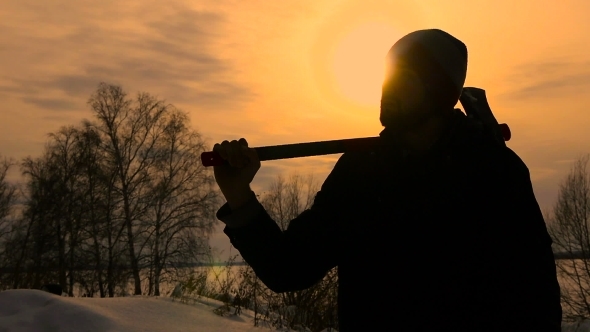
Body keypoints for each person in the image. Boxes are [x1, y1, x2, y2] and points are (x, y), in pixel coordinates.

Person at [213, 29, 562, 331]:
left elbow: (535, 301)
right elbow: (288, 268)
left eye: (405, 77)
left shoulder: (493, 171)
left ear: (438, 90)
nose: (388, 87)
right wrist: (239, 194)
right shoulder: (362, 171)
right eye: (387, 75)